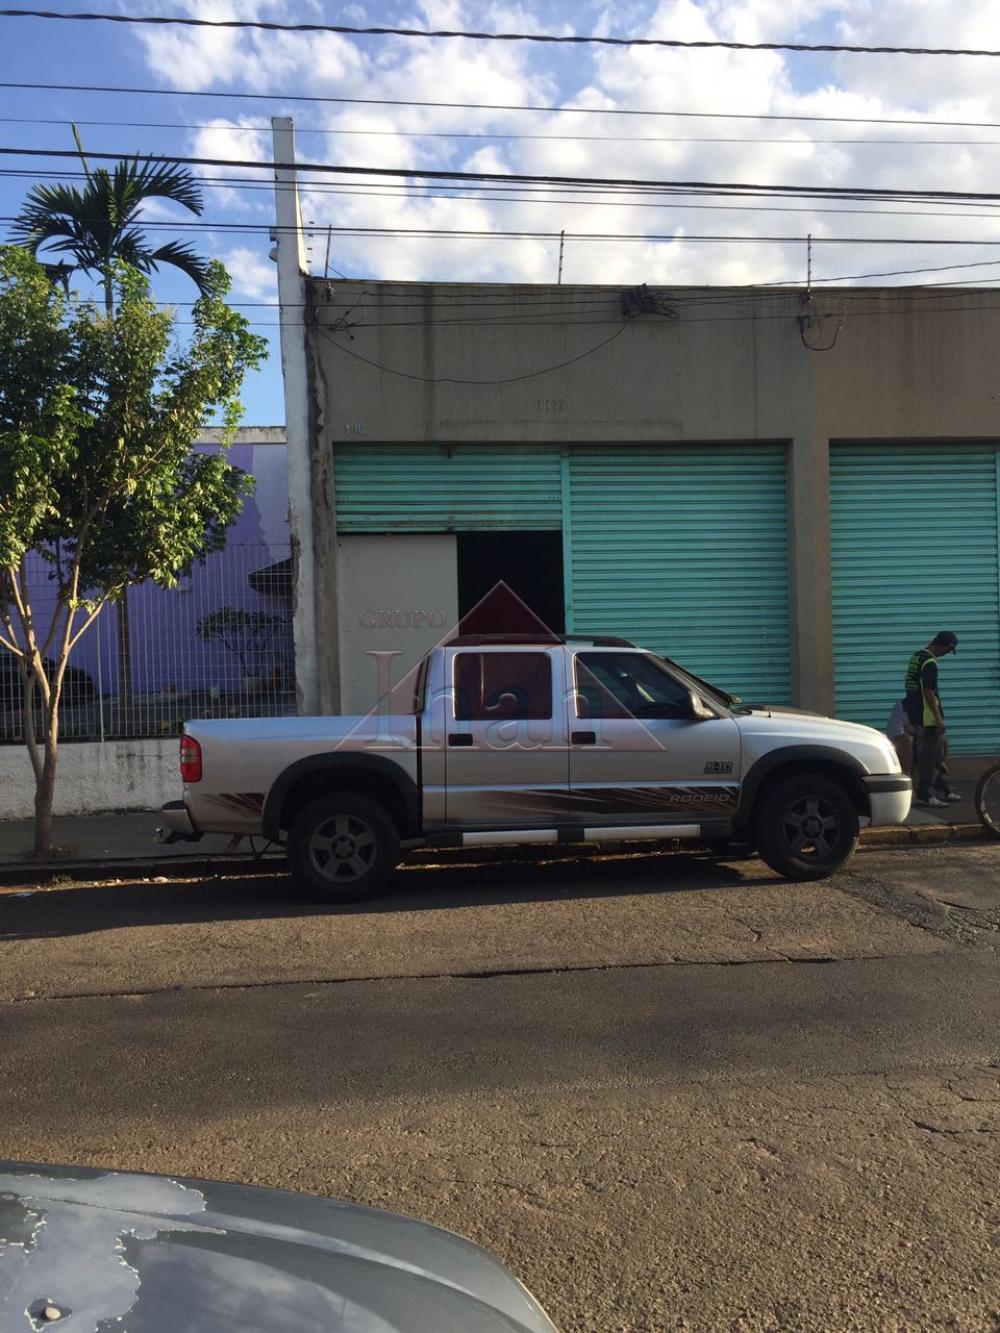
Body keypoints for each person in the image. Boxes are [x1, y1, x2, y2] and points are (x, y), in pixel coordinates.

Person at [903, 631, 959, 807]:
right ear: (943, 646)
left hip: (915, 713)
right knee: (930, 756)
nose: (946, 654)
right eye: (948, 651)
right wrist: (937, 718)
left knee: (940, 748)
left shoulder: (916, 657)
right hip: (927, 717)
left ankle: (943, 788)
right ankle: (924, 795)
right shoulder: (930, 662)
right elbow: (928, 691)